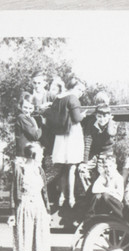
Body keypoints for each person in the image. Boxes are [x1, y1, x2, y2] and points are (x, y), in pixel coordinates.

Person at [7, 143, 51, 251]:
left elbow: (44, 192)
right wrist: (12, 213)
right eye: (40, 153)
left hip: (40, 207)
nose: (43, 156)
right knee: (25, 243)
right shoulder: (20, 169)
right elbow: (14, 192)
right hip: (24, 205)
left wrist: (48, 211)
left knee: (41, 241)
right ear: (33, 155)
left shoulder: (40, 170)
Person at [51, 77, 87, 208]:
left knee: (63, 168)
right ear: (72, 87)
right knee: (72, 167)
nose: (81, 93)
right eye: (79, 89)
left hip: (61, 136)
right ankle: (71, 197)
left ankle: (61, 195)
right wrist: (83, 115)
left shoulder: (58, 98)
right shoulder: (72, 98)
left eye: (82, 91)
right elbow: (77, 118)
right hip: (72, 134)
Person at [79, 104, 118, 191]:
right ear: (96, 116)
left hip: (107, 152)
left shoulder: (112, 124)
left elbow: (111, 133)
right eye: (99, 116)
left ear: (109, 116)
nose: (102, 119)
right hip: (93, 152)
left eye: (105, 116)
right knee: (82, 169)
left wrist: (110, 121)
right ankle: (90, 192)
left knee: (105, 171)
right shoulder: (91, 125)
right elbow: (87, 143)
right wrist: (84, 161)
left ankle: (105, 193)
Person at [86, 154, 124, 219]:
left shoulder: (118, 178)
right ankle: (90, 217)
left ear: (115, 166)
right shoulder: (104, 174)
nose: (108, 169)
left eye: (110, 166)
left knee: (105, 195)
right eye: (106, 166)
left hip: (117, 205)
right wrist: (109, 190)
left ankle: (119, 218)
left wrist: (104, 191)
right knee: (97, 196)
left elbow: (120, 197)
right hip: (107, 202)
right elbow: (94, 189)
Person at [14, 92, 42, 159]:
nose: (28, 111)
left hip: (29, 153)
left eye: (30, 108)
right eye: (25, 107)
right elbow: (35, 136)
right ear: (20, 107)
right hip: (24, 155)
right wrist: (42, 125)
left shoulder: (30, 118)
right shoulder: (22, 117)